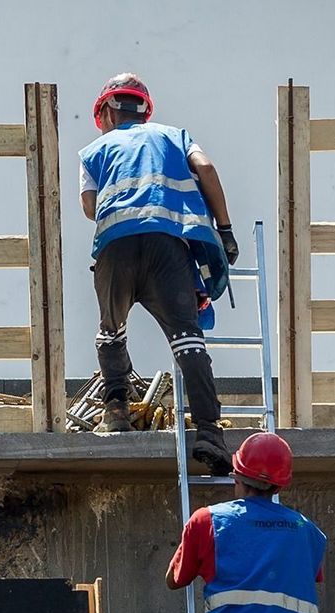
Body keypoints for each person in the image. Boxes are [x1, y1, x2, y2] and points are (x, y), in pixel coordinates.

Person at [78, 72, 238, 472]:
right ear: (143, 110)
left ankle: (115, 411)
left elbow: (89, 207)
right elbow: (208, 169)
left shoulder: (94, 151)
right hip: (170, 247)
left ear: (108, 112)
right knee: (187, 340)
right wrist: (225, 230)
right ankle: (209, 433)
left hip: (116, 246)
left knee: (110, 329)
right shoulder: (175, 136)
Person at [166, 433, 327, 613]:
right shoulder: (309, 532)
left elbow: (174, 580)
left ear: (237, 476)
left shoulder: (207, 521)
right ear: (281, 484)